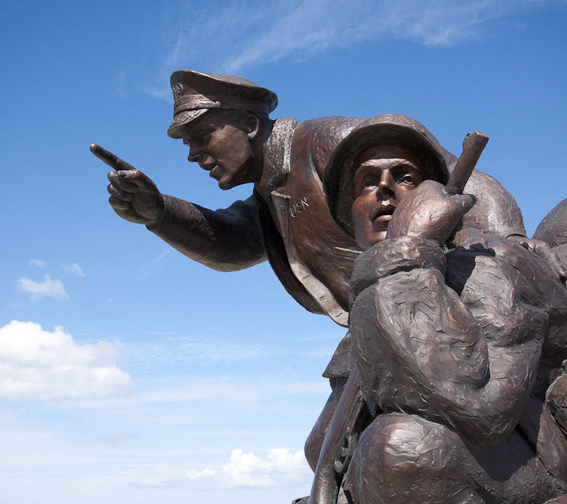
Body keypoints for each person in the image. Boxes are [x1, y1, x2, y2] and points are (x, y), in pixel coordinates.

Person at [318, 114, 567, 504]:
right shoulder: (372, 296)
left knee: (401, 449)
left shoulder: (496, 269)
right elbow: (323, 450)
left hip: (520, 474)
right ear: (348, 216)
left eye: (403, 177)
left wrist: (408, 250)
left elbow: (480, 406)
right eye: (365, 182)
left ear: (441, 198)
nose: (383, 191)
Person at [91, 70, 529, 336]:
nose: (193, 154)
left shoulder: (324, 142)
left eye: (203, 137)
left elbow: (470, 179)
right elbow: (231, 241)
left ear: (248, 125)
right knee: (322, 450)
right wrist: (158, 212)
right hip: (385, 326)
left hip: (449, 306)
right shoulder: (268, 199)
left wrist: (513, 247)